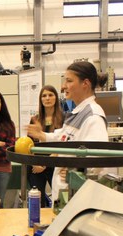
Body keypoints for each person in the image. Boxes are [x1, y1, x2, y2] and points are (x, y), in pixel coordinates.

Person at [27, 61, 109, 203]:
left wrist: (77, 171)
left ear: (85, 84)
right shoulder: (78, 112)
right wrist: (43, 135)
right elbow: (65, 136)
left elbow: (98, 156)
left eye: (69, 81)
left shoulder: (93, 116)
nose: (63, 86)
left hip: (77, 196)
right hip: (66, 195)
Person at [27, 85, 64, 207]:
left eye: (50, 95)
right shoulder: (35, 120)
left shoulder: (64, 119)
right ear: (40, 99)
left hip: (56, 164)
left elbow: (63, 145)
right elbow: (29, 144)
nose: (47, 98)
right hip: (36, 166)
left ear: (56, 98)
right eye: (44, 95)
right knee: (37, 200)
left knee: (60, 198)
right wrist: (35, 163)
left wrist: (45, 164)